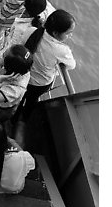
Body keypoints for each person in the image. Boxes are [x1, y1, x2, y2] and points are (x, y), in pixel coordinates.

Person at [10, 9, 76, 145]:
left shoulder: (33, 31)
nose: (70, 36)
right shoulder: (62, 50)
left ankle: (13, 118)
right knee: (31, 102)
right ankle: (23, 119)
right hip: (39, 84)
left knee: (19, 97)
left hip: (24, 77)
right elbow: (71, 65)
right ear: (57, 33)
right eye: (68, 33)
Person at [0, 0, 48, 71]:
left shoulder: (21, 28)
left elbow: (11, 47)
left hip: (14, 59)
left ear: (24, 3)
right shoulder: (39, 23)